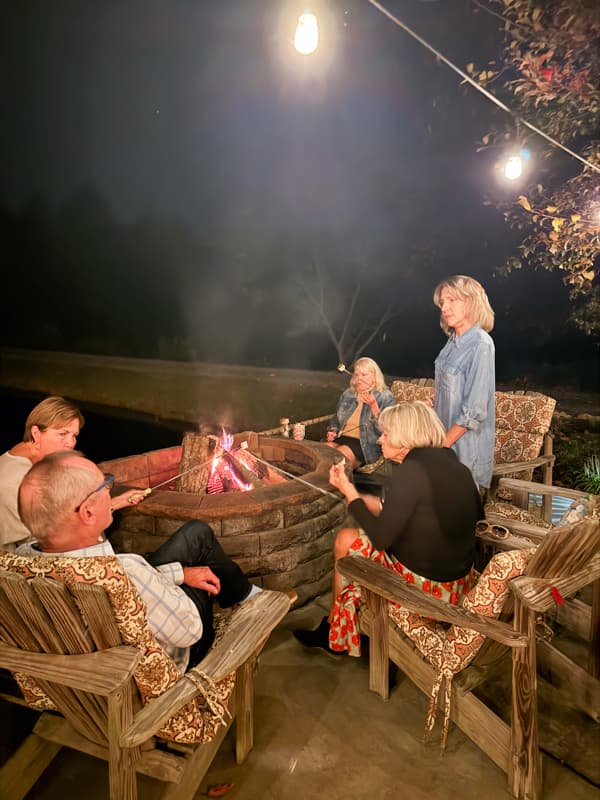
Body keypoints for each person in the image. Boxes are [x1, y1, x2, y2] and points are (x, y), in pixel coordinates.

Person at [17, 450, 264, 673]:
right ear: (88, 513)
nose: (108, 490)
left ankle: (243, 591)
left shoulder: (21, 559)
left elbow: (129, 594)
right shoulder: (125, 572)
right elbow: (190, 630)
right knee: (199, 539)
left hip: (86, 672)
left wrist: (180, 573)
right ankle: (250, 596)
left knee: (194, 535)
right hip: (170, 662)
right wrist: (176, 586)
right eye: (105, 485)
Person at [294, 401, 482, 658]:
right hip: (459, 579)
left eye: (386, 434)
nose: (380, 439)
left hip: (428, 585)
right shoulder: (455, 466)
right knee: (355, 532)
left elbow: (381, 539)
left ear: (406, 439)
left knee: (345, 541)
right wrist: (363, 498)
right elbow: (467, 515)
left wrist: (349, 492)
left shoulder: (412, 471)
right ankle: (338, 626)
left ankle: (336, 633)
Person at [0, 396, 142, 551]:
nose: (70, 443)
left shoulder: (34, 461)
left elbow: (65, 521)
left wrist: (112, 503)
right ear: (36, 433)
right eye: (62, 434)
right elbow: (54, 539)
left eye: (74, 435)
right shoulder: (16, 481)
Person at [433, 275, 496, 492]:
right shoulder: (451, 343)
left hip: (464, 451)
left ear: (471, 301)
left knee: (457, 516)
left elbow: (475, 411)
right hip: (444, 442)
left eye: (452, 300)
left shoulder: (480, 344)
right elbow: (448, 394)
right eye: (442, 302)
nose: (444, 307)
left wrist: (442, 446)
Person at [326, 357, 395, 470]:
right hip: (342, 437)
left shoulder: (385, 397)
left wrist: (374, 407)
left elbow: (387, 430)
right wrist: (333, 430)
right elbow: (335, 419)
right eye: (356, 375)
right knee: (319, 453)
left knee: (336, 460)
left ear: (374, 377)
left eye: (364, 375)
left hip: (366, 445)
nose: (359, 379)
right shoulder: (348, 394)